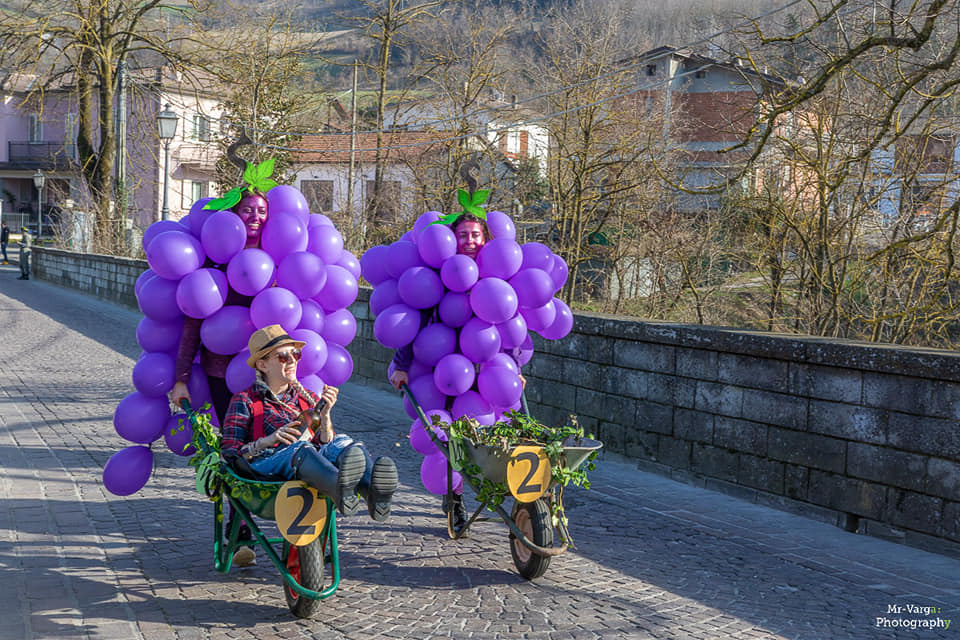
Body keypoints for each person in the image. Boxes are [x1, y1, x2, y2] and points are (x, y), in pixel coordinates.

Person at [388, 212, 524, 535]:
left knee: (493, 431)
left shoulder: (496, 277)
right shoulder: (436, 276)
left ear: (486, 239)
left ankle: (502, 489)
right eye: (463, 235)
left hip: (486, 370)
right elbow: (413, 321)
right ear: (452, 240)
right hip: (444, 370)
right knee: (450, 436)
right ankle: (455, 496)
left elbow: (509, 324)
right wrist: (402, 365)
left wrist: (515, 369)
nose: (470, 242)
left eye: (475, 235)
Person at [221, 325, 398, 565]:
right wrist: (268, 440)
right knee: (300, 449)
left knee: (344, 443)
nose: (291, 360)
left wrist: (325, 420)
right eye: (282, 356)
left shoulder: (307, 398)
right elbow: (230, 451)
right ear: (262, 365)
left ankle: (372, 494)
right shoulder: (245, 400)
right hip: (266, 468)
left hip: (308, 464)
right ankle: (340, 490)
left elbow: (324, 443)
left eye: (295, 354)